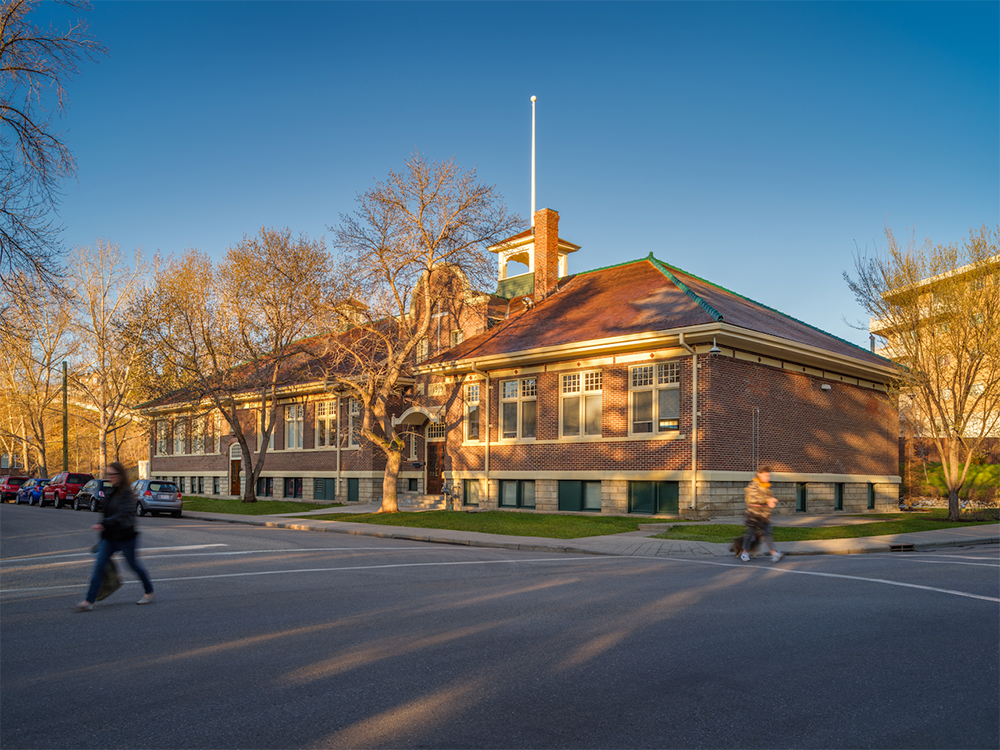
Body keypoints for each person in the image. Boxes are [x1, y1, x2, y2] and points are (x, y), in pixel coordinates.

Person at [73, 462, 155, 611]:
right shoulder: (111, 492)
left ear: (120, 475)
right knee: (99, 566)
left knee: (134, 566)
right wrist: (103, 527)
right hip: (110, 538)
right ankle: (89, 601)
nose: (110, 477)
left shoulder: (128, 494)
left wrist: (105, 524)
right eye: (108, 474)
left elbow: (122, 515)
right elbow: (107, 513)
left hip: (126, 538)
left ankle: (149, 591)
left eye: (112, 474)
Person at [741, 465, 784, 563]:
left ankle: (774, 554)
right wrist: (766, 500)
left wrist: (772, 501)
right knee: (750, 534)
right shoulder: (753, 485)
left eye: (769, 476)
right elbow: (751, 499)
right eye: (765, 476)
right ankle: (745, 552)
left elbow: (770, 498)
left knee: (767, 534)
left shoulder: (767, 487)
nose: (767, 478)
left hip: (764, 516)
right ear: (759, 474)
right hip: (754, 515)